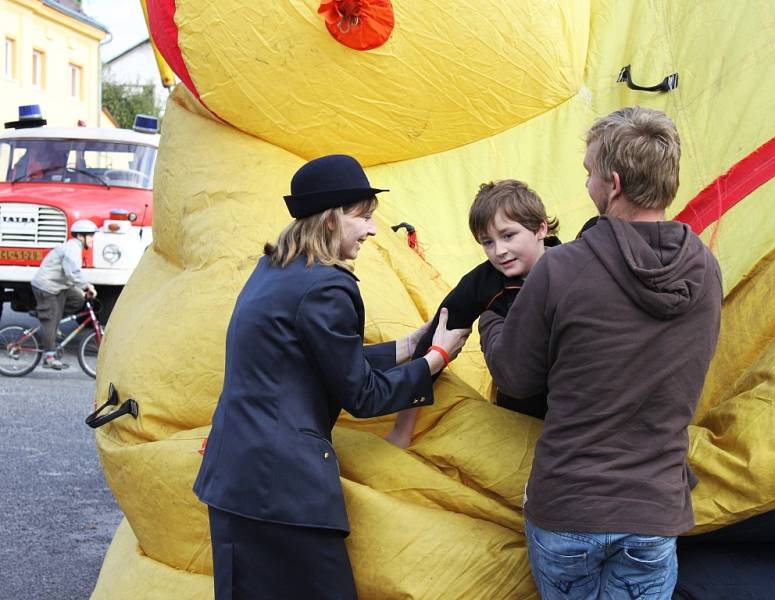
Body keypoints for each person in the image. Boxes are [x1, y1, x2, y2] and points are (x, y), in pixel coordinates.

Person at [192, 154, 470, 599]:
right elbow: (362, 395)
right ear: (329, 220)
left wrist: (409, 345)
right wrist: (436, 358)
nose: (373, 230)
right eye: (364, 217)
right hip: (285, 492)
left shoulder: (274, 271)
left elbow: (310, 360)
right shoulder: (328, 286)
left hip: (235, 480)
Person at [480, 107, 723, 599]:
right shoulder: (706, 269)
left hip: (570, 505)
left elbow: (517, 378)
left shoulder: (562, 268)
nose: (586, 180)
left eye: (588, 171)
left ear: (612, 184)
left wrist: (490, 323)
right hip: (654, 509)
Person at [385, 179, 560, 448]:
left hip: (575, 394)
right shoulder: (485, 283)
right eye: (487, 242)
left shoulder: (571, 264)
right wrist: (402, 429)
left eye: (508, 235)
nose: (499, 251)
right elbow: (433, 341)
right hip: (521, 402)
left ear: (540, 228)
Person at [30, 219, 98, 370]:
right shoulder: (72, 248)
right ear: (81, 236)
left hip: (58, 286)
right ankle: (49, 357)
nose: (93, 239)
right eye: (91, 236)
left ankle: (47, 315)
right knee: (51, 321)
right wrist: (87, 286)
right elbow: (72, 272)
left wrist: (83, 291)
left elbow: (70, 276)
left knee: (78, 298)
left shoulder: (75, 248)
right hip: (47, 287)